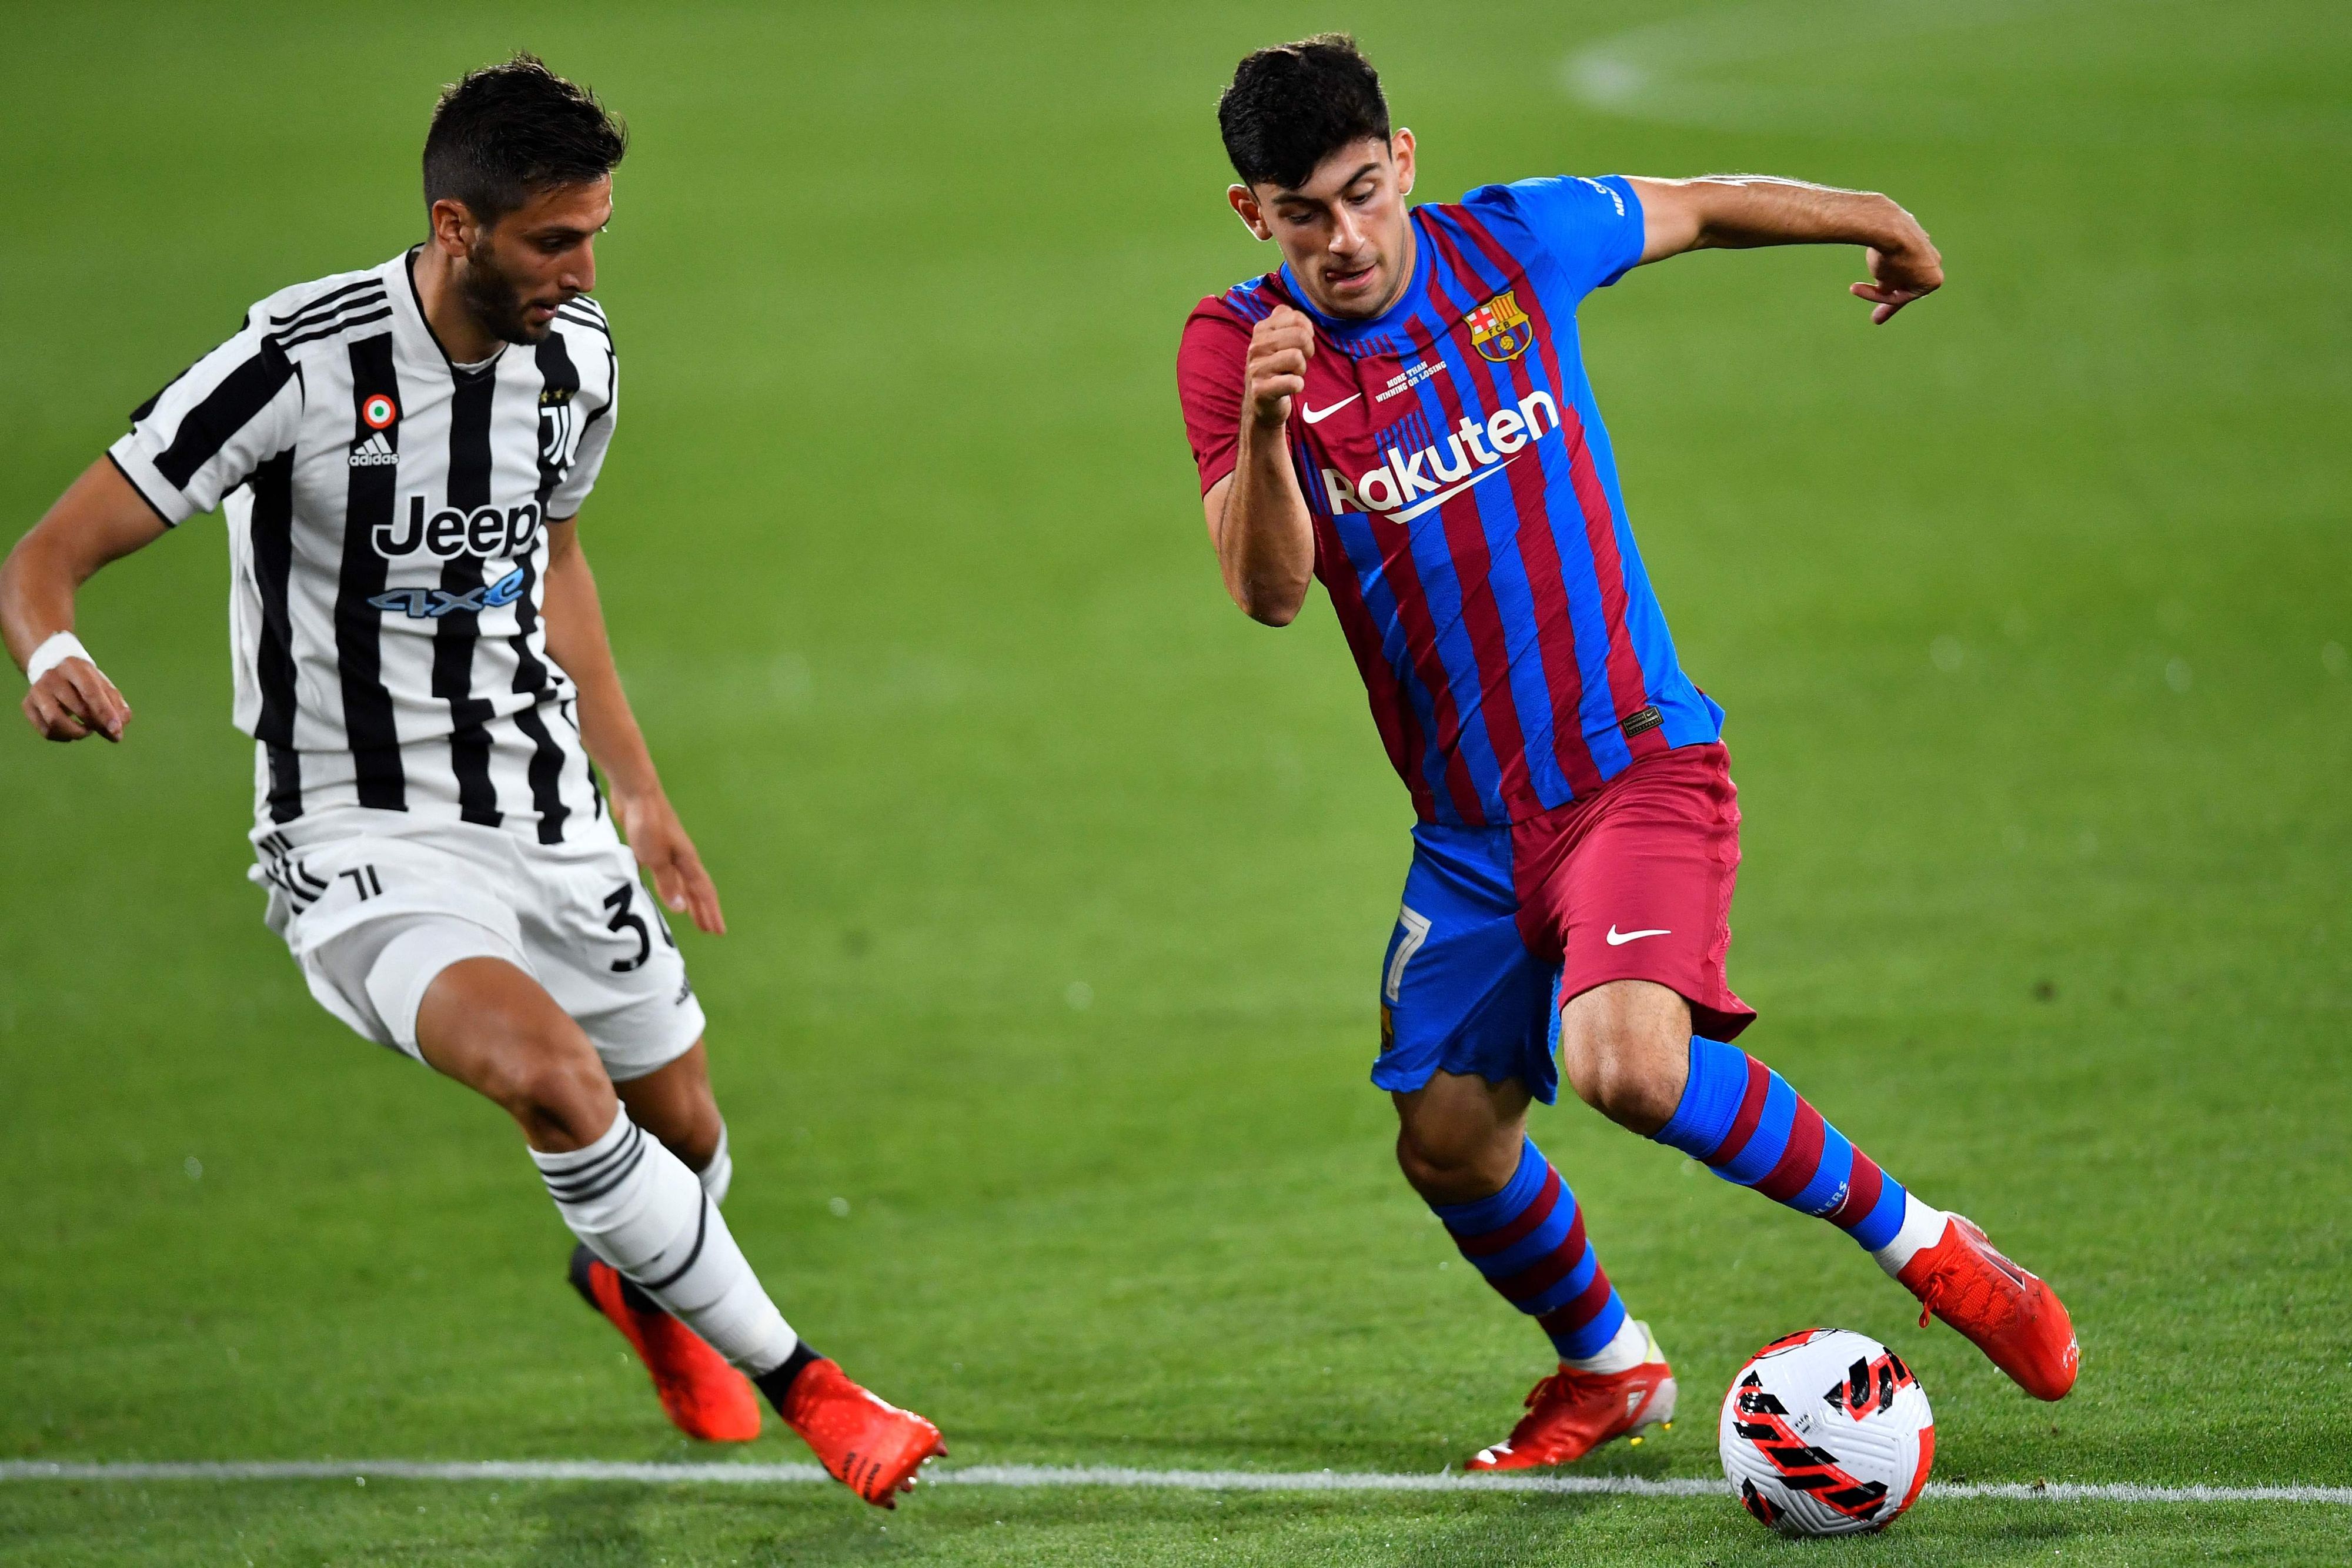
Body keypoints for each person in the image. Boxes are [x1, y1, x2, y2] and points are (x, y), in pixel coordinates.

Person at [2, 54, 943, 1507]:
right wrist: (49, 648)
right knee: (553, 1084)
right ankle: (811, 1383)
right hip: (357, 826)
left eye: (595, 236)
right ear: (456, 227)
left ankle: (633, 1279)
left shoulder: (581, 359)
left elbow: (554, 561)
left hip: (545, 803)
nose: (581, 269)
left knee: (681, 1134)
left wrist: (636, 790)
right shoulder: (295, 363)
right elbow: (43, 555)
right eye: (552, 240)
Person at [1174, 35, 2077, 1472]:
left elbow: (1702, 202)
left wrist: (1874, 217)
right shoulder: (1232, 350)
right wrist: (1269, 428)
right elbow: (1269, 589)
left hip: (1630, 769)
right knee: (1449, 1142)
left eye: (1360, 192)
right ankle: (1609, 1367)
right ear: (1253, 218)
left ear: (1402, 162)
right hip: (1470, 833)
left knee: (1622, 1065)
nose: (1342, 239)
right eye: (1302, 212)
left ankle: (1930, 1246)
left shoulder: (1513, 243)